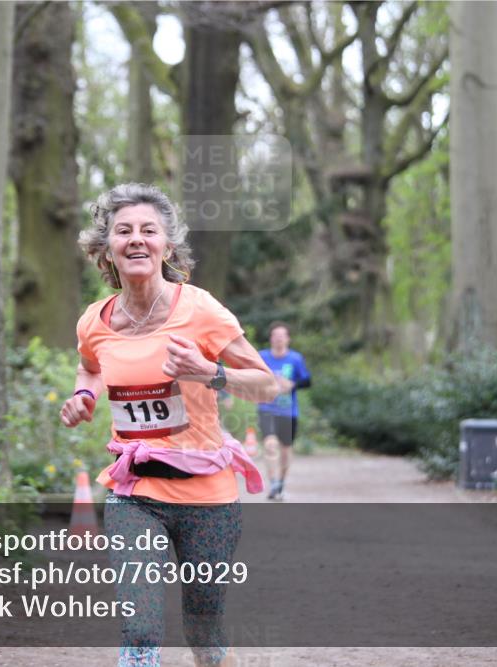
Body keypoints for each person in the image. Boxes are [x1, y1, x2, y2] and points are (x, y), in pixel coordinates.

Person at [59, 183, 279, 667]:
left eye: (148, 230)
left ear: (167, 245)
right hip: (134, 491)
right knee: (140, 626)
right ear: (107, 248)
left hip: (208, 496)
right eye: (123, 231)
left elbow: (267, 385)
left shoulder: (200, 309)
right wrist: (83, 396)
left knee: (204, 624)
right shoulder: (93, 321)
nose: (136, 239)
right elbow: (91, 365)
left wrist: (209, 372)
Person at [257, 321, 311, 501]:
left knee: (286, 450)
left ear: (288, 339)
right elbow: (251, 376)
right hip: (266, 408)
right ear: (271, 338)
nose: (279, 339)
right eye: (275, 336)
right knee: (270, 444)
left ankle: (281, 482)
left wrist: (292, 384)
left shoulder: (295, 359)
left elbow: (307, 380)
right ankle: (272, 483)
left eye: (282, 336)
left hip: (288, 411)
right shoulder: (262, 357)